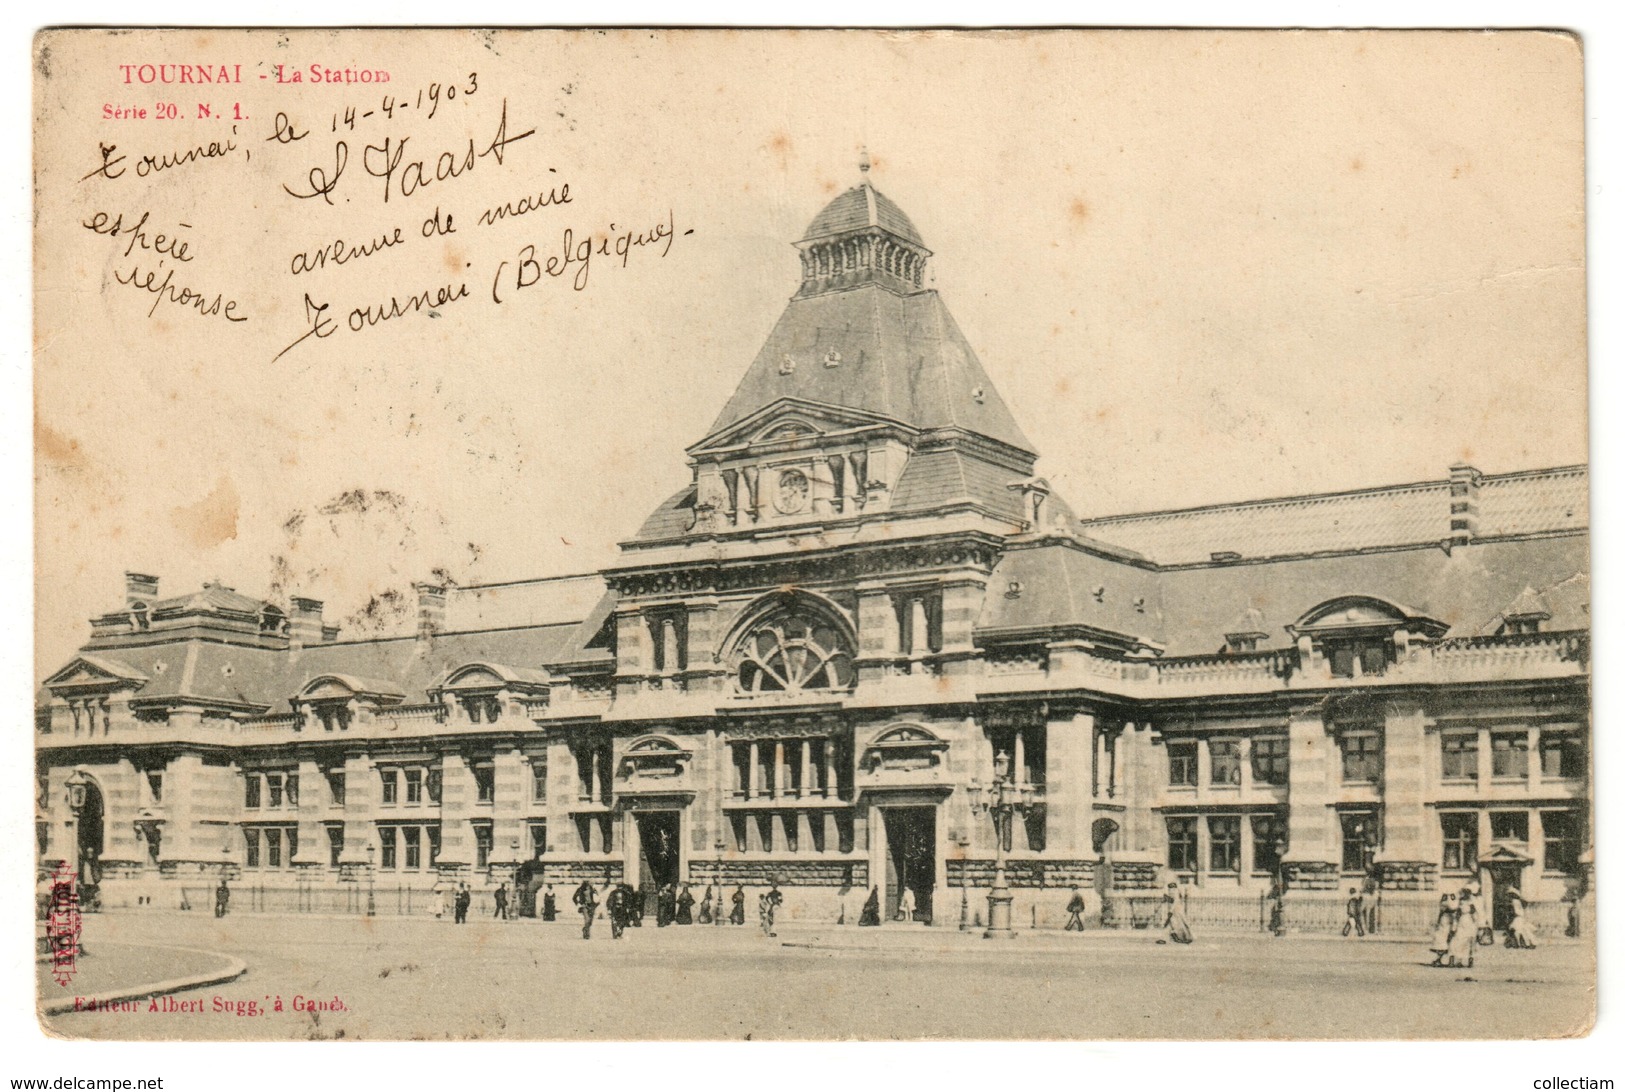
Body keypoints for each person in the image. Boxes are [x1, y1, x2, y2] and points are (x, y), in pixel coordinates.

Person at [1447, 886, 1477, 968]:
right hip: (1469, 921)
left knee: (1457, 940)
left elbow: (1458, 913)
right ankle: (1469, 961)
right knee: (1468, 941)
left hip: (1463, 921)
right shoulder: (1471, 902)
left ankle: (1455, 960)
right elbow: (1474, 913)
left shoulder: (1461, 901)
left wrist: (1454, 926)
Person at [1429, 893, 1456, 966]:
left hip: (1446, 921)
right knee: (1445, 940)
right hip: (1446, 922)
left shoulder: (1444, 904)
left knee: (1444, 940)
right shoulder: (1447, 904)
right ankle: (1440, 959)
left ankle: (1440, 959)